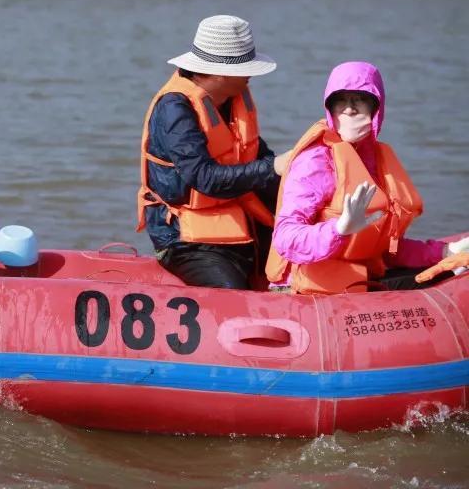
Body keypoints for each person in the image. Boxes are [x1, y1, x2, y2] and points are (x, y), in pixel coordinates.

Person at [267, 61, 465, 293]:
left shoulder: (375, 159)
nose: (349, 109)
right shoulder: (315, 160)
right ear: (329, 108)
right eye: (341, 100)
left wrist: (444, 252)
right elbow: (286, 238)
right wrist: (338, 229)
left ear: (376, 108)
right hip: (303, 289)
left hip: (359, 276)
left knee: (453, 269)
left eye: (359, 99)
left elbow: (383, 248)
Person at [137, 15, 289, 289]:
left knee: (302, 261)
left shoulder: (231, 98)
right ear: (220, 74)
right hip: (183, 237)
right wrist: (273, 167)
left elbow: (256, 155)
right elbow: (204, 178)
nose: (251, 76)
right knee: (232, 295)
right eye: (246, 69)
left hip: (238, 217)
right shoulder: (175, 109)